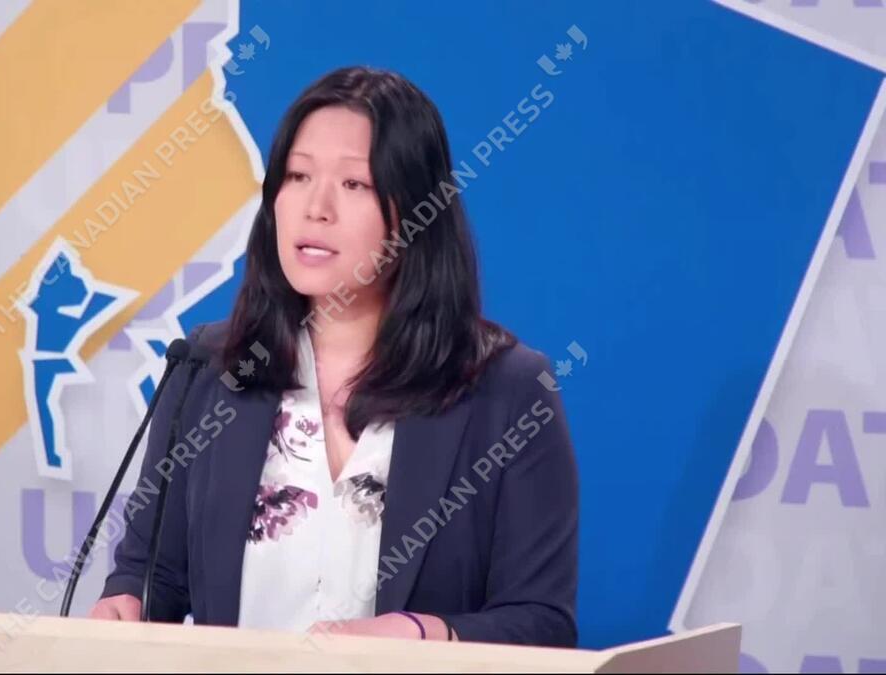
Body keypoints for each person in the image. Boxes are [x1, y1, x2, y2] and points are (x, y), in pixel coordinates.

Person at [89, 65, 578, 646]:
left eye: (354, 184)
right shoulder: (206, 371)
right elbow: (154, 575)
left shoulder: (508, 391)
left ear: (416, 212)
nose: (316, 207)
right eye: (298, 176)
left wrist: (422, 633)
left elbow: (542, 623)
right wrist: (126, 603)